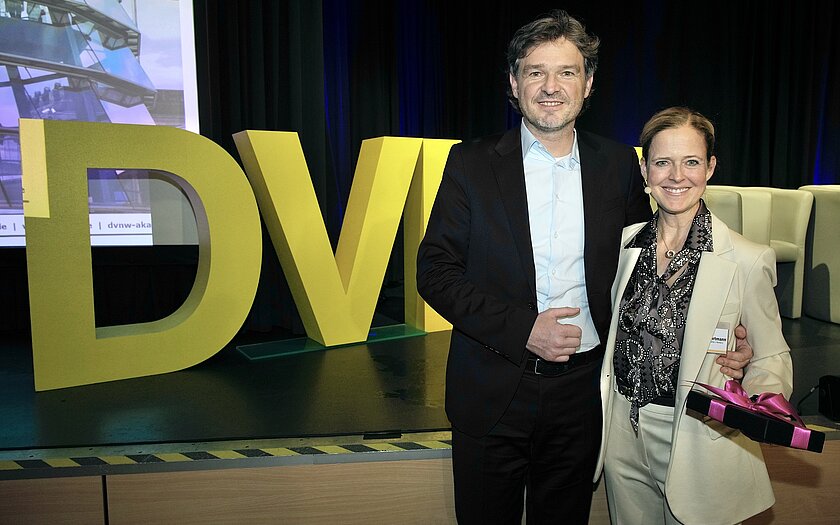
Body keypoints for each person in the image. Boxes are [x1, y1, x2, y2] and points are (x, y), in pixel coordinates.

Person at [417, 11, 753, 524]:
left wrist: (725, 338)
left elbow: (656, 268)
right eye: (536, 72)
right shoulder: (471, 163)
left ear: (588, 83)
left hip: (585, 396)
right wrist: (524, 330)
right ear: (514, 83)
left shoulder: (618, 166)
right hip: (491, 391)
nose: (551, 87)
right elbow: (435, 272)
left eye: (567, 72)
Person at [593, 107, 794, 525]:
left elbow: (771, 355)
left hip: (699, 435)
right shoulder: (621, 246)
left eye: (691, 162)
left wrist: (749, 402)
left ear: (710, 168)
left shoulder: (747, 258)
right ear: (645, 169)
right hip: (621, 433)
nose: (676, 176)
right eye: (662, 162)